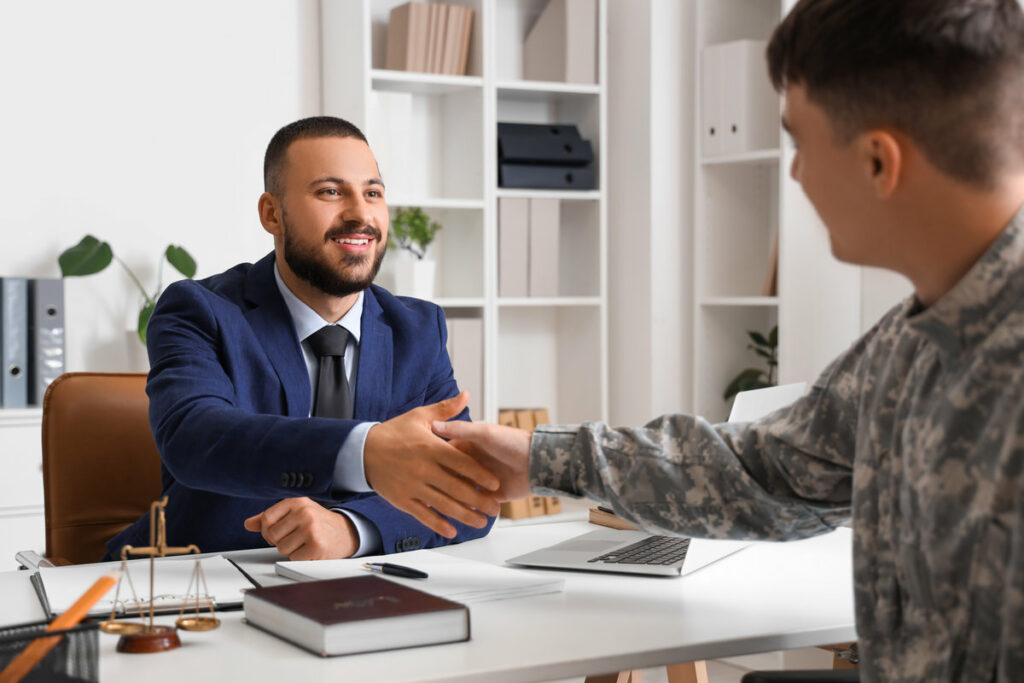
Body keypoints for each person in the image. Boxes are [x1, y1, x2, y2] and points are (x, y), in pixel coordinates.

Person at [433, 0, 1024, 679]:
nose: (795, 173)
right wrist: (541, 457)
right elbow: (762, 470)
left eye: (799, 143)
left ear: (878, 162)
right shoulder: (911, 342)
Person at [106, 116, 500, 562]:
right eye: (331, 192)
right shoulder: (199, 310)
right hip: (200, 582)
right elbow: (195, 438)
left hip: (358, 589)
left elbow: (469, 496)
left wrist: (353, 531)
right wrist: (366, 451)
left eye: (372, 193)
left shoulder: (417, 328)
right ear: (272, 214)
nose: (360, 214)